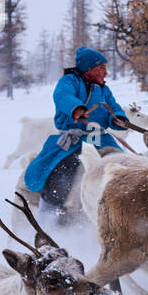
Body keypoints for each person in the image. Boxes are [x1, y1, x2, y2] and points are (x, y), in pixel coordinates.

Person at [23, 46, 130, 218]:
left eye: (105, 68)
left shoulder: (104, 89)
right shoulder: (69, 81)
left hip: (100, 139)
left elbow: (113, 107)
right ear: (89, 68)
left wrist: (118, 118)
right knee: (62, 173)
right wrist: (76, 109)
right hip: (73, 140)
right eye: (101, 68)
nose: (105, 73)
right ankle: (52, 211)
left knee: (120, 165)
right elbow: (62, 96)